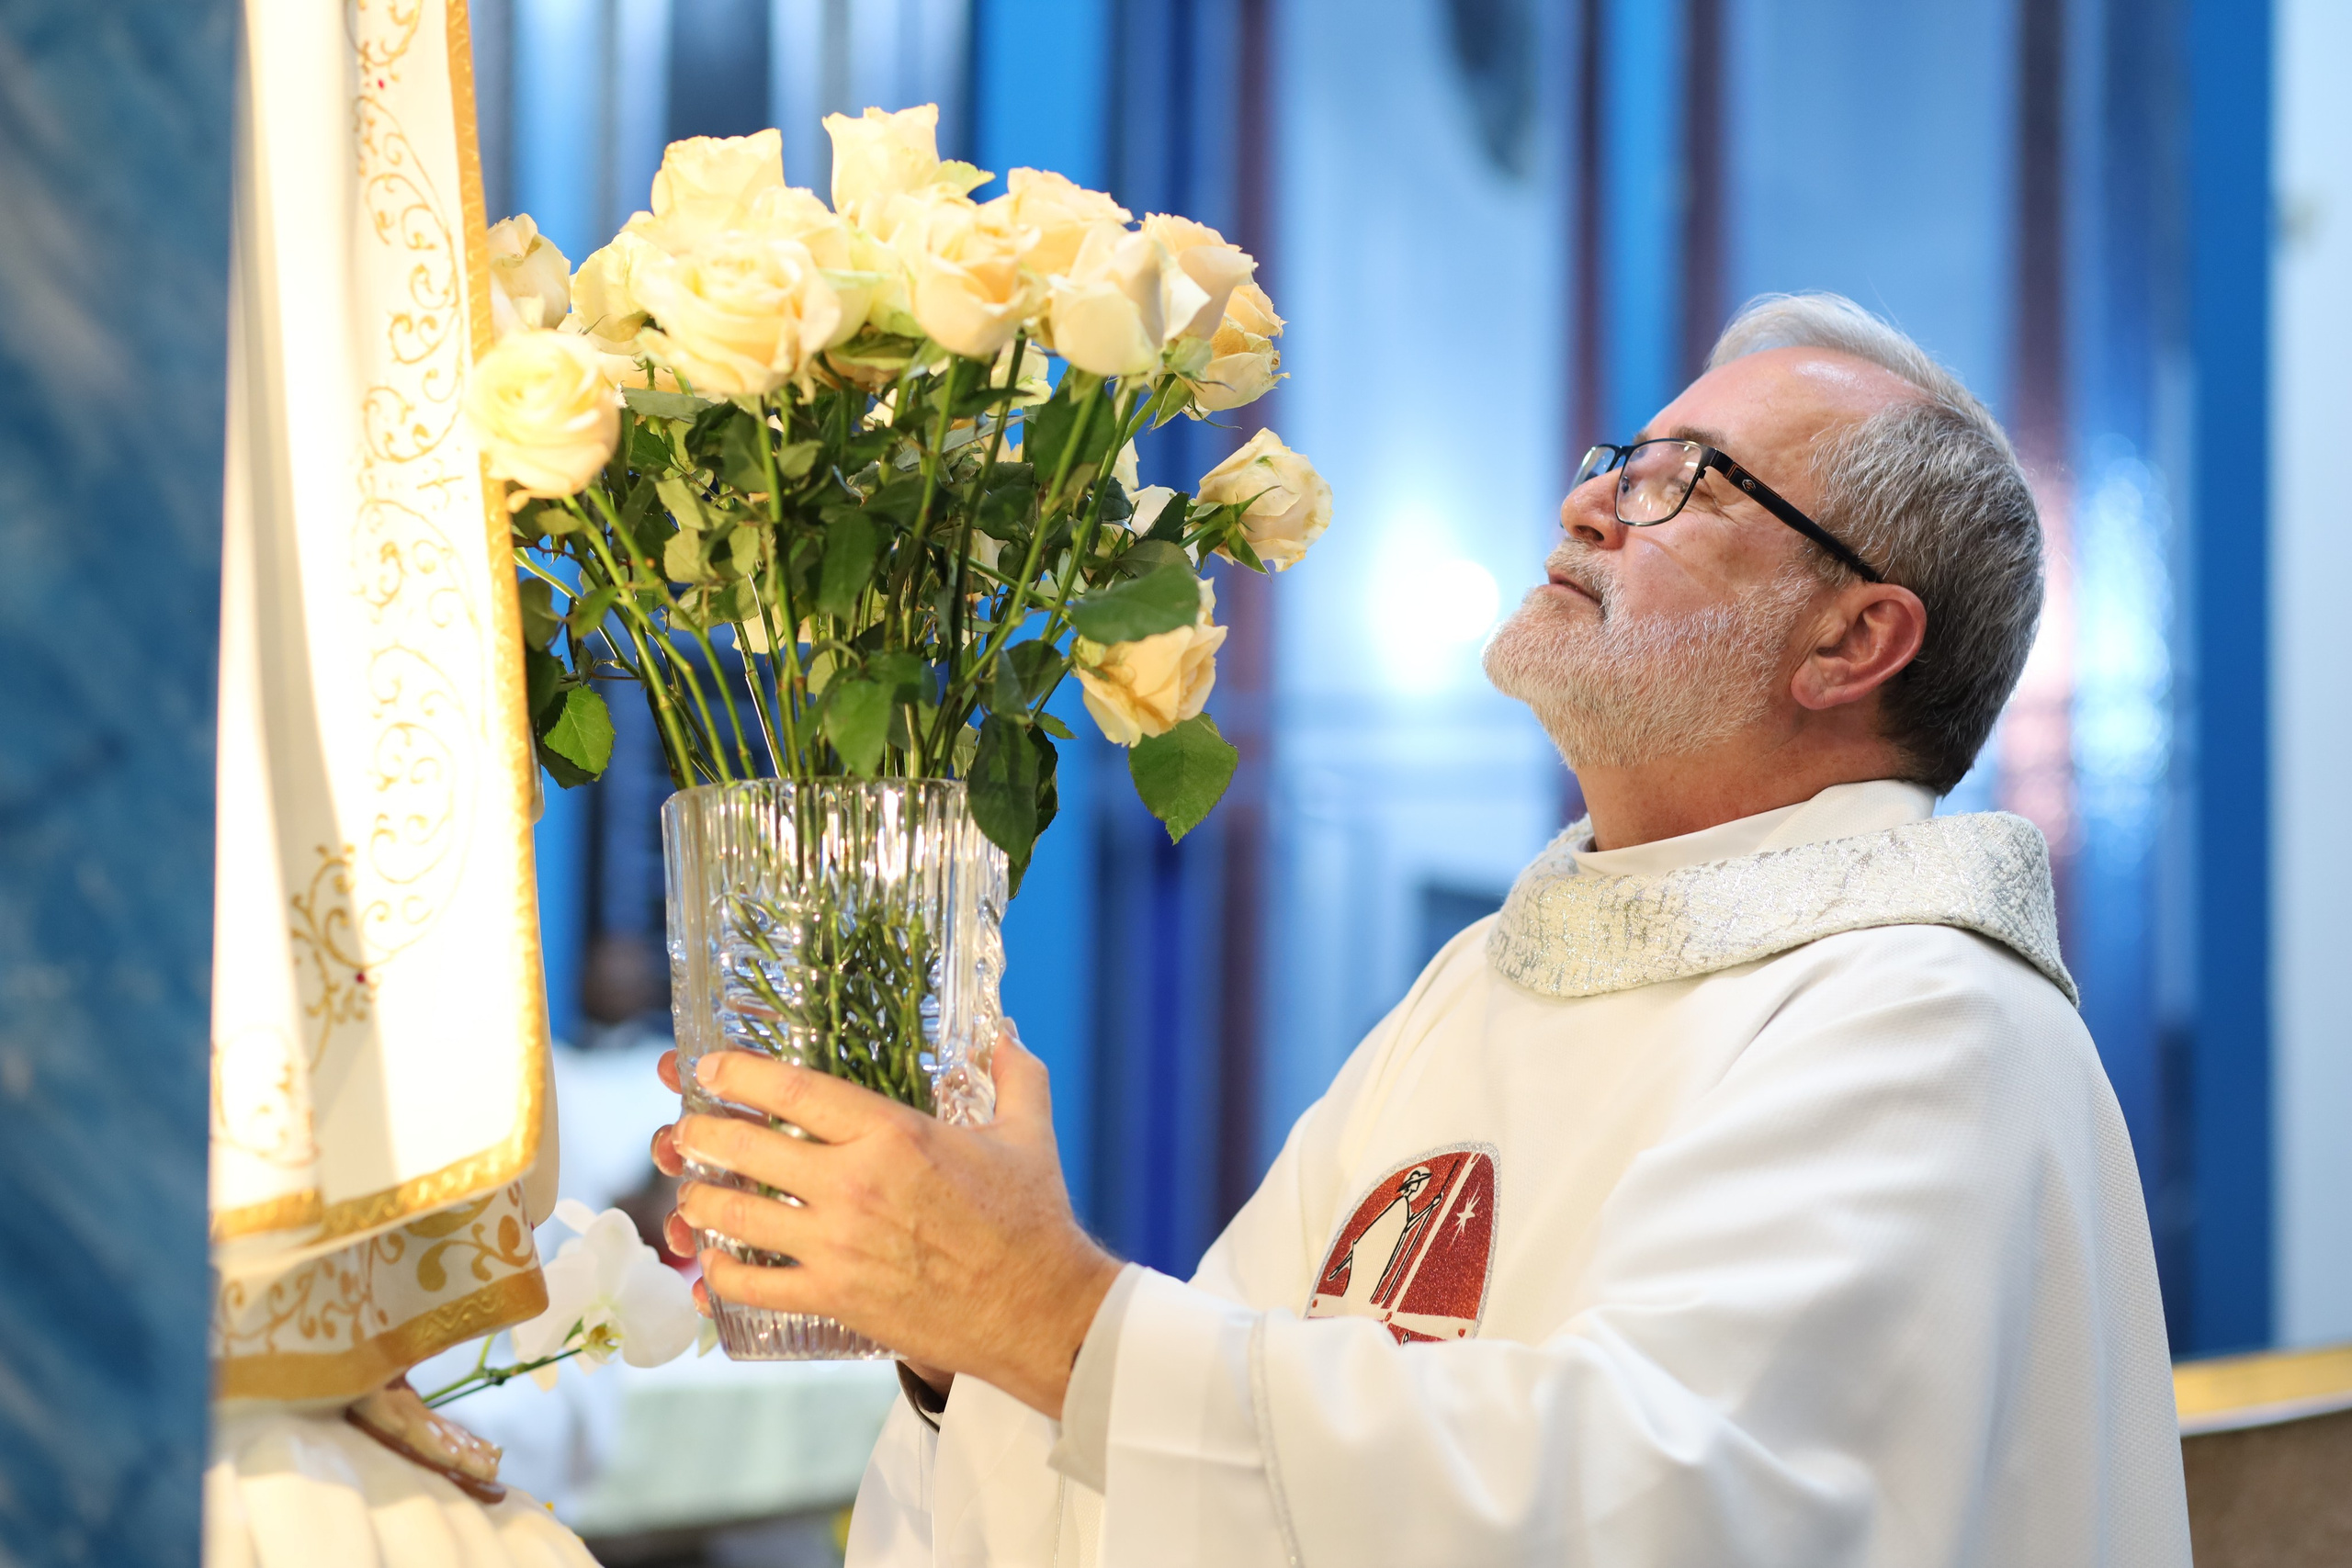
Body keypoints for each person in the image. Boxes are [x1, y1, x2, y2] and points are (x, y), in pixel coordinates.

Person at [649, 292, 2191, 1565]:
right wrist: (953, 1341)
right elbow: (1190, 1462)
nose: (1593, 498)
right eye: (1620, 455)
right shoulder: (1496, 978)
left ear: (1855, 638)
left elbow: (1658, 1515)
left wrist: (1040, 1306)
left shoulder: (1926, 1024)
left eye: (1685, 480)